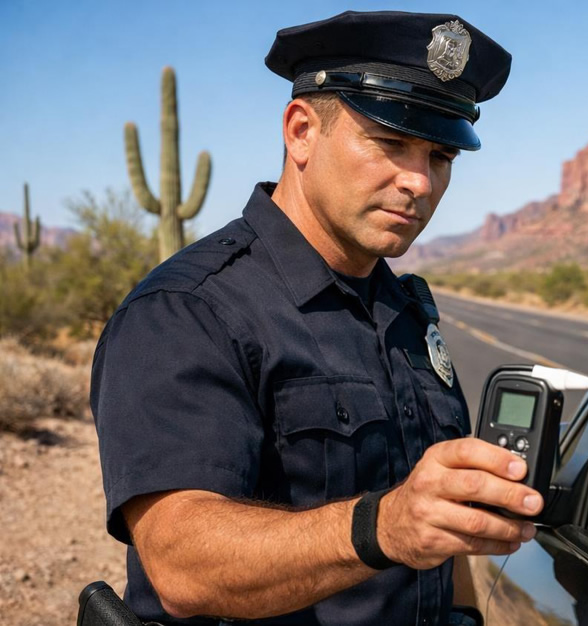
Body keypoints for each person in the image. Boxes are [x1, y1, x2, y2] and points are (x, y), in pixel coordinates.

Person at [90, 11, 538, 625]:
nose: (419, 181)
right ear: (301, 132)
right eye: (390, 142)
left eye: (441, 156)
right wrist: (382, 526)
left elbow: (438, 529)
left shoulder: (405, 311)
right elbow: (180, 562)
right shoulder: (188, 312)